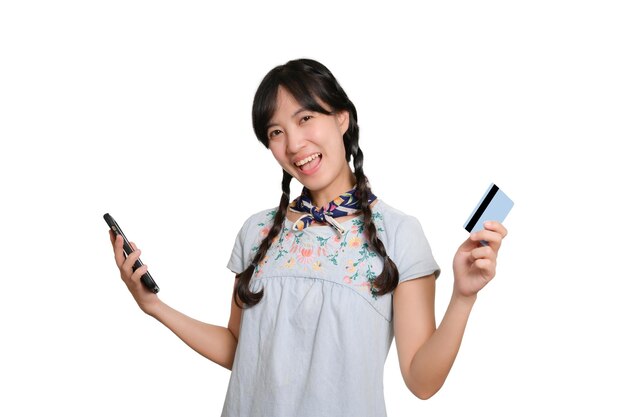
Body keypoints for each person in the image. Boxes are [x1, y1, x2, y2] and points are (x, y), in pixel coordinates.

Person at [109, 58, 508, 417]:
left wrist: (463, 297)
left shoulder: (399, 234)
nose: (294, 145)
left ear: (341, 118)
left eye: (305, 119)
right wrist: (154, 306)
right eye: (276, 131)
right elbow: (240, 349)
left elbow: (421, 382)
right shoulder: (258, 231)